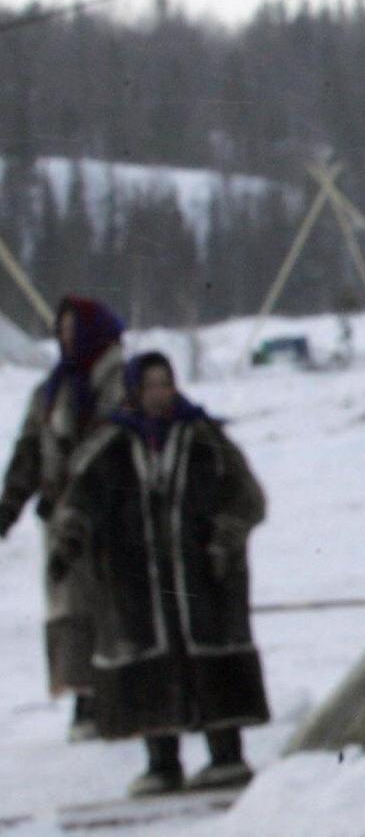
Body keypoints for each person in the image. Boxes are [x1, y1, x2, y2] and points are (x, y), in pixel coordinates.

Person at [50, 352, 269, 796]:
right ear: (134, 390)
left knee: (209, 656)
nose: (158, 394)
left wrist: (225, 535)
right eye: (149, 385)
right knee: (150, 662)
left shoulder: (204, 437)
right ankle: (162, 762)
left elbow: (246, 496)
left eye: (165, 384)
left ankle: (226, 754)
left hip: (203, 574)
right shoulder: (109, 445)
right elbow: (80, 501)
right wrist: (69, 537)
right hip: (136, 583)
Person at [0, 295, 127, 740]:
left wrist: (80, 489)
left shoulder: (117, 378)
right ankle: (85, 695)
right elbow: (31, 449)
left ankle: (114, 696)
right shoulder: (54, 387)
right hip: (61, 516)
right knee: (72, 606)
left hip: (111, 514)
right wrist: (9, 506)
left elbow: (110, 442)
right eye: (63, 330)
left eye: (76, 330)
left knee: (113, 604)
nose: (67, 338)